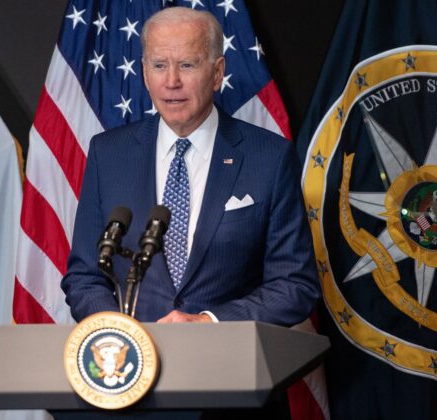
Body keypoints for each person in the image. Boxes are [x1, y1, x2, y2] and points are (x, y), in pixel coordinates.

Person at [61, 7, 319, 326]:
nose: (172, 81)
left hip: (228, 364)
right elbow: (85, 277)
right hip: (133, 365)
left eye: (187, 65)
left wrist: (210, 322)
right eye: (159, 66)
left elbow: (294, 285)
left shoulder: (269, 157)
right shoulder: (108, 154)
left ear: (217, 71)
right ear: (144, 72)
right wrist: (124, 334)